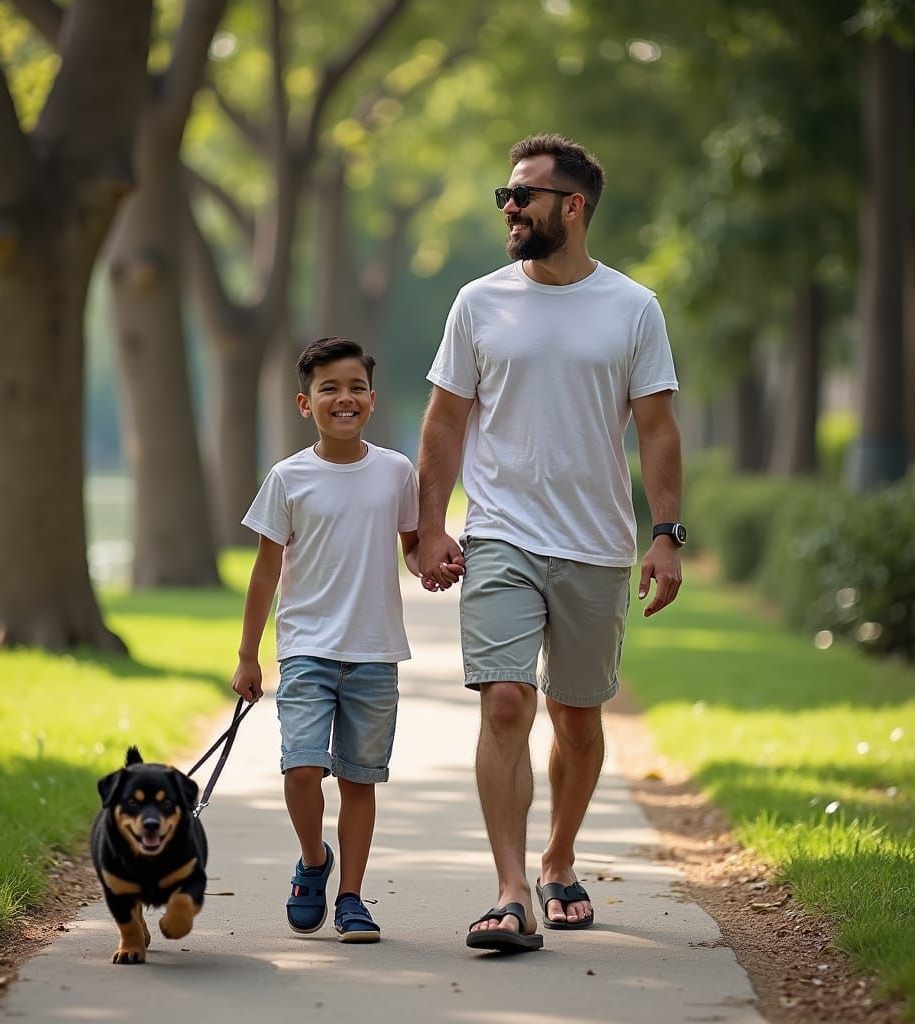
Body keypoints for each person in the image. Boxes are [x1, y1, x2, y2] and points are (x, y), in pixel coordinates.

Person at [417, 133, 685, 953]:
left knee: (576, 716)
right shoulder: (478, 302)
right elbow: (444, 422)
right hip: (499, 532)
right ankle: (508, 893)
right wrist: (429, 525)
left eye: (523, 194)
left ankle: (559, 858)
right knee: (505, 699)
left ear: (572, 206)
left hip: (596, 543)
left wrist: (666, 534)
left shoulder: (633, 308)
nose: (509, 206)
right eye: (506, 193)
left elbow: (658, 431)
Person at [231, 336, 450, 943]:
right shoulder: (288, 478)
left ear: (372, 401)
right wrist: (248, 655)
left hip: (375, 652)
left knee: (359, 780)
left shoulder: (396, 472)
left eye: (355, 387)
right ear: (307, 404)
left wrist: (429, 564)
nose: (343, 398)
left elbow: (409, 546)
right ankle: (314, 861)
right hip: (306, 651)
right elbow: (266, 570)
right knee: (301, 770)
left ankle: (351, 895)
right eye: (329, 388)